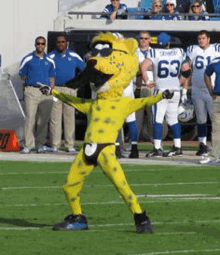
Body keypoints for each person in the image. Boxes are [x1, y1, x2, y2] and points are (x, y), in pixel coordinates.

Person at [39, 32, 174, 233]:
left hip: (105, 151)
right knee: (69, 186)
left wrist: (162, 95)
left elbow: (143, 101)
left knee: (122, 186)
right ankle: (78, 217)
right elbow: (75, 101)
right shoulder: (94, 104)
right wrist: (53, 92)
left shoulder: (123, 103)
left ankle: (140, 217)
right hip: (87, 150)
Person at [141, 32, 191, 157]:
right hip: (175, 90)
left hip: (162, 90)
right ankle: (178, 147)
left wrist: (147, 80)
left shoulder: (154, 52)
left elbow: (143, 66)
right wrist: (177, 84)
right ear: (169, 42)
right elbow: (187, 70)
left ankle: (157, 148)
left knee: (157, 119)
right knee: (173, 119)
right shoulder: (179, 51)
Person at [47, 35, 85, 153]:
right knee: (55, 118)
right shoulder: (51, 56)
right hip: (56, 89)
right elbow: (45, 71)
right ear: (56, 43)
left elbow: (84, 69)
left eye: (63, 42)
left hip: (69, 90)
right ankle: (55, 144)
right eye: (59, 42)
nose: (61, 44)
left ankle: (70, 145)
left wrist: (77, 84)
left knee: (69, 117)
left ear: (67, 43)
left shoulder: (73, 55)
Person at [186, 30, 220, 156]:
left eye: (203, 38)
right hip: (197, 88)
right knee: (201, 119)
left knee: (215, 120)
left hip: (212, 90)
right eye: (199, 38)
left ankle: (215, 146)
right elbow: (187, 66)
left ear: (208, 39)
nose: (201, 40)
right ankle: (202, 144)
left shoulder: (216, 48)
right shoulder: (193, 50)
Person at [19, 36, 55, 154]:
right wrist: (31, 81)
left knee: (43, 120)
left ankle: (40, 144)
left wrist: (50, 90)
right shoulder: (28, 58)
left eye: (42, 44)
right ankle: (28, 145)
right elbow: (22, 75)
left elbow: (52, 77)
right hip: (32, 91)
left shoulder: (50, 60)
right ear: (35, 45)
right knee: (30, 118)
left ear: (45, 45)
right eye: (38, 43)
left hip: (45, 92)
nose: (40, 46)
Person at [134, 31, 154, 142]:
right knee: (137, 118)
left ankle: (155, 143)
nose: (143, 40)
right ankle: (133, 143)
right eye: (141, 38)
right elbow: (135, 68)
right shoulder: (134, 52)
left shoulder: (155, 52)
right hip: (138, 86)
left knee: (153, 116)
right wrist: (145, 67)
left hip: (151, 87)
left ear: (150, 39)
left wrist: (142, 67)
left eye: (146, 38)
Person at [200, 59, 220, 164]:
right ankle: (215, 155)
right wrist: (210, 89)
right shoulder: (216, 64)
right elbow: (206, 74)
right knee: (216, 129)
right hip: (217, 97)